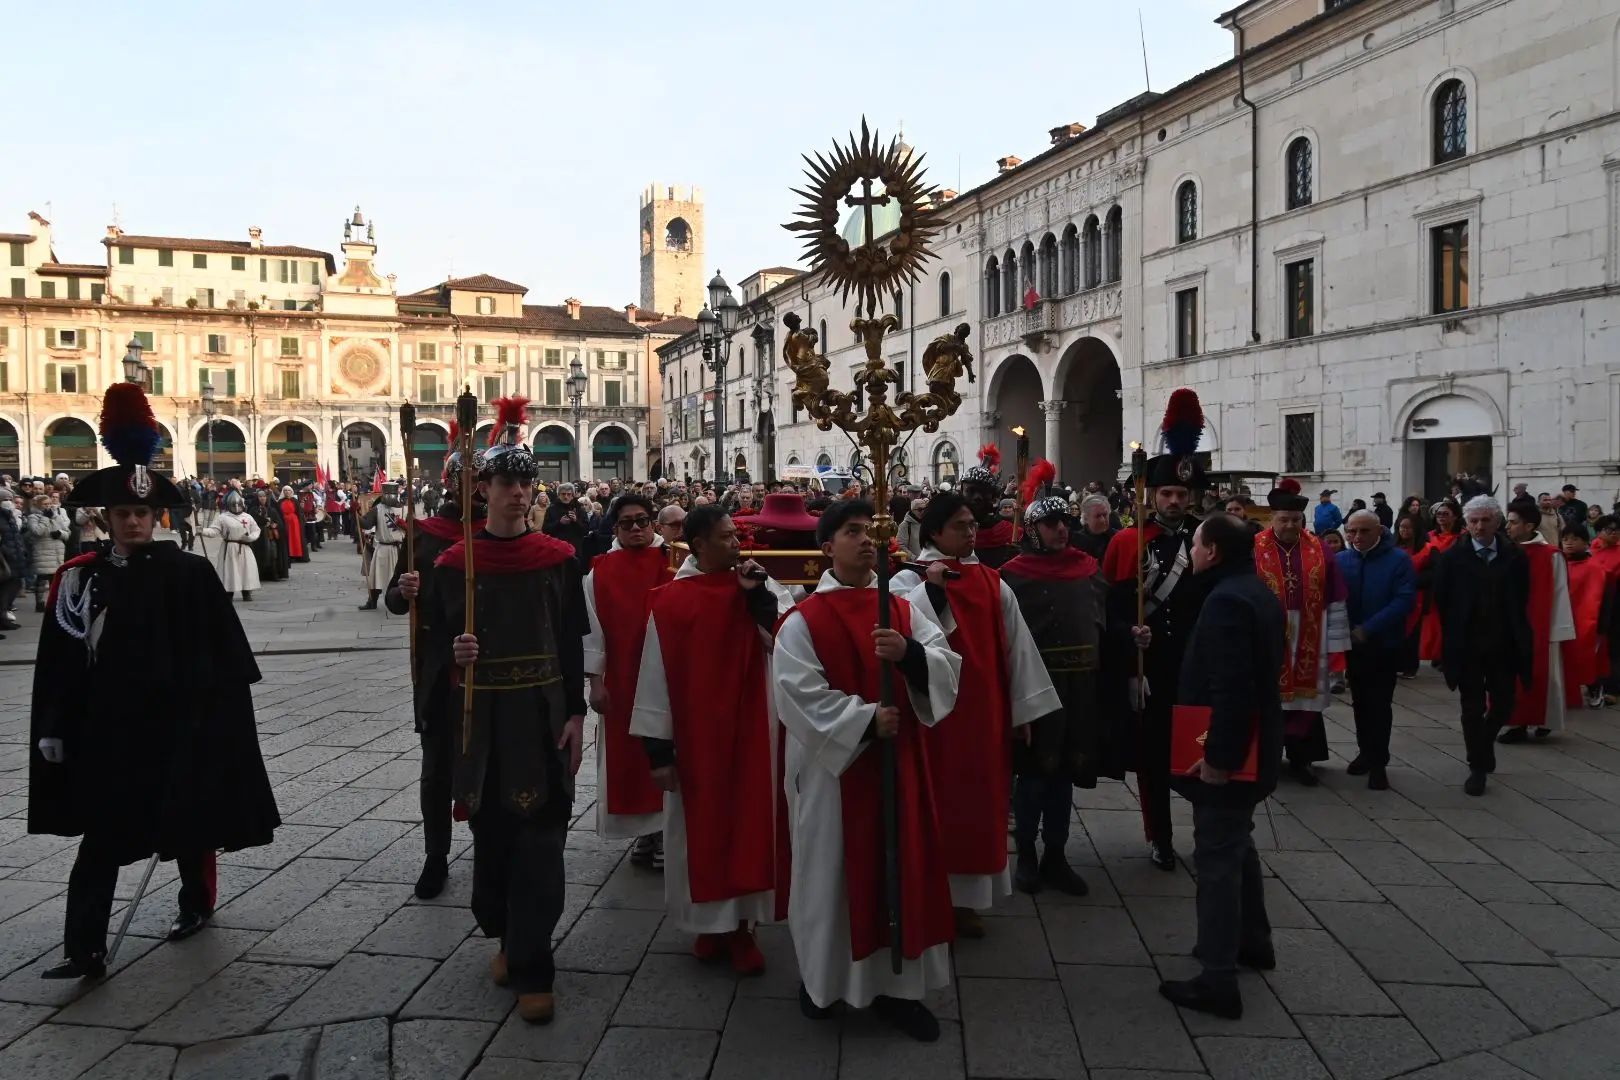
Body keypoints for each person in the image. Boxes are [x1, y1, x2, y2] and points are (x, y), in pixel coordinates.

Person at [29, 382, 280, 980]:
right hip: (108, 733)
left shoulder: (189, 574)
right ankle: (83, 947)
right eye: (124, 514)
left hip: (178, 725)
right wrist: (55, 730)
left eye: (143, 512)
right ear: (108, 518)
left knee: (190, 824)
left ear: (154, 515)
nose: (135, 521)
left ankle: (195, 903)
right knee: (100, 843)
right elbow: (61, 665)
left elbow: (227, 661)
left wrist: (212, 718)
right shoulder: (79, 579)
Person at [773, 499, 961, 1042]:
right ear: (827, 547)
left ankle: (900, 991)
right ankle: (823, 982)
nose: (864, 540)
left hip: (899, 766)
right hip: (835, 778)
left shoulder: (903, 609)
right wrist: (860, 721)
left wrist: (909, 656)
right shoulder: (802, 619)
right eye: (851, 532)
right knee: (831, 876)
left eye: (870, 531)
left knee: (902, 871)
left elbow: (946, 662)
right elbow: (795, 692)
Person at [424, 397, 587, 1024]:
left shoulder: (560, 559)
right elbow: (432, 642)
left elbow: (573, 639)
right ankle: (502, 931)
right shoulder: (453, 565)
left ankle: (533, 961)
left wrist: (575, 712)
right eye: (506, 482)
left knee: (542, 841)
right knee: (491, 840)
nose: (517, 492)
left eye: (526, 482)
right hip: (481, 720)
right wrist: (453, 653)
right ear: (483, 489)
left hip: (541, 713)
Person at [629, 504, 793, 973]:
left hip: (753, 731)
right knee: (701, 830)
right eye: (724, 538)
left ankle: (744, 928)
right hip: (696, 737)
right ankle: (709, 927)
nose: (735, 544)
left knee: (750, 826)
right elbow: (654, 676)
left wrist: (756, 596)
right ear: (698, 545)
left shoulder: (756, 583)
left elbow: (785, 639)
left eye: (734, 535)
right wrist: (658, 751)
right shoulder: (672, 600)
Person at [891, 490, 1060, 934]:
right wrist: (934, 592)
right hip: (932, 714)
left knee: (977, 806)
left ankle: (963, 903)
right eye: (960, 526)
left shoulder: (992, 581)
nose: (971, 533)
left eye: (972, 525)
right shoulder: (905, 580)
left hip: (982, 711)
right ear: (934, 532)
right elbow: (903, 630)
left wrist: (1022, 711)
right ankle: (927, 895)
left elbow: (1017, 648)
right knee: (935, 804)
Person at [1157, 513, 1284, 1021]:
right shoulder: (1254, 589)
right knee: (1238, 843)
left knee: (1216, 859)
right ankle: (1253, 942)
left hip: (1231, 751)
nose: (1192, 552)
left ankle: (1217, 978)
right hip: (1255, 747)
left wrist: (1219, 759)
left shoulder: (1227, 600)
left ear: (1211, 552)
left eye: (1196, 544)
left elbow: (1233, 688)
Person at [1102, 388, 1208, 870]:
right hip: (1149, 666)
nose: (1173, 501)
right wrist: (1129, 638)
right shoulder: (1128, 541)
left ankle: (1208, 828)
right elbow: (1112, 607)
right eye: (1166, 493)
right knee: (1150, 759)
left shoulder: (1208, 540)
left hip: (1192, 663)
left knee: (1201, 750)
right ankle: (1159, 835)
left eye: (1181, 494)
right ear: (1150, 495)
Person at [387, 420, 485, 900]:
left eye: (480, 483)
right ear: (450, 483)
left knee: (493, 763)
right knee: (436, 768)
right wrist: (402, 591)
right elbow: (394, 600)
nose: (474, 490)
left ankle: (491, 849)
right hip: (437, 666)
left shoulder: (502, 533)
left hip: (487, 665)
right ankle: (435, 856)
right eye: (466, 482)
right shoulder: (425, 534)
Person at [1000, 491, 1112, 895]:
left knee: (1066, 772)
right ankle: (1027, 852)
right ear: (1033, 530)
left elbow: (1105, 620)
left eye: (1066, 521)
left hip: (1081, 688)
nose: (1062, 529)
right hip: (1037, 686)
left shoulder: (1089, 569)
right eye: (1051, 523)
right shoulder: (1012, 575)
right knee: (1033, 775)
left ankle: (1057, 854)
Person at [583, 493, 674, 870]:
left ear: (653, 522)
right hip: (623, 677)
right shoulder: (599, 571)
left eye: (642, 521)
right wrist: (596, 682)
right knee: (631, 757)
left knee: (670, 753)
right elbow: (591, 631)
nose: (636, 528)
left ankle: (668, 831)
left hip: (671, 676)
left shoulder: (675, 561)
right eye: (626, 523)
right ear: (615, 527)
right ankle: (645, 832)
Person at [1250, 480, 1349, 786]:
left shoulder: (1319, 549)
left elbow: (1335, 596)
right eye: (1284, 519)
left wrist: (1336, 645)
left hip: (1310, 636)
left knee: (1304, 704)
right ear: (1272, 519)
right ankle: (1264, 760)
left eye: (1295, 520)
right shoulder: (1254, 547)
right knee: (1267, 701)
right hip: (1266, 636)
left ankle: (1301, 758)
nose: (1290, 525)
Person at [1433, 496, 1534, 795]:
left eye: (1485, 520)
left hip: (1504, 642)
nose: (1479, 526)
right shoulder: (1453, 556)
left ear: (1497, 522)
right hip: (1468, 644)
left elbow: (1521, 597)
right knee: (1472, 707)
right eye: (1474, 521)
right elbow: (1442, 598)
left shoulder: (1514, 555)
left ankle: (1484, 741)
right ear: (1466, 523)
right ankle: (1477, 765)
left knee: (1504, 703)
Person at [1338, 511, 1416, 789]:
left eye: (1364, 531)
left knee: (1380, 704)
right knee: (1359, 702)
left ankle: (1379, 761)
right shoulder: (1342, 560)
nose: (1357, 537)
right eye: (1351, 531)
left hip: (1384, 644)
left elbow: (1403, 601)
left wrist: (1368, 628)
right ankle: (1365, 752)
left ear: (1379, 532)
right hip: (1352, 645)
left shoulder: (1398, 560)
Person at [1497, 499, 1575, 743]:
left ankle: (1545, 720)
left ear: (1529, 525)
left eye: (1513, 522)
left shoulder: (1550, 555)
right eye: (1507, 522)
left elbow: (1561, 592)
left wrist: (1558, 630)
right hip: (1509, 625)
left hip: (1542, 625)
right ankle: (1516, 723)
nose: (1507, 527)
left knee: (1545, 676)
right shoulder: (1503, 550)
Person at [1558, 527, 1612, 711]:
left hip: (1587, 621)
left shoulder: (1595, 568)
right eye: (1565, 538)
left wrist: (1602, 626)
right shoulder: (1558, 564)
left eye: (1574, 538)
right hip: (1562, 618)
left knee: (1587, 659)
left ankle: (1595, 690)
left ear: (1585, 542)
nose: (1569, 542)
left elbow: (1604, 599)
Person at [958, 445, 1020, 568]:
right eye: (971, 491)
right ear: (961, 493)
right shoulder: (949, 532)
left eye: (983, 491)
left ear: (993, 497)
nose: (977, 497)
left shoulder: (1011, 533)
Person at [200, 491, 262, 601]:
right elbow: (214, 531)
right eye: (234, 505)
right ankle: (229, 593)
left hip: (244, 547)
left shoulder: (247, 517)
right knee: (230, 570)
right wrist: (202, 530)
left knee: (245, 570)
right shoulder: (223, 517)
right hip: (229, 548)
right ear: (229, 505)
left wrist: (250, 538)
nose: (237, 507)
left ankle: (246, 592)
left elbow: (256, 530)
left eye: (238, 505)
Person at [357, 484, 405, 610]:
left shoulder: (404, 509)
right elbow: (366, 525)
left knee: (400, 578)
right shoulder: (377, 509)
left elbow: (413, 527)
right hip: (383, 548)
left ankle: (400, 603)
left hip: (399, 548)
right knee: (375, 576)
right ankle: (372, 602)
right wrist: (356, 514)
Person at [1071, 493, 1118, 560]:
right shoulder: (1076, 541)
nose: (1102, 520)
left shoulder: (1117, 538)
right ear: (1086, 518)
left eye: (1105, 515)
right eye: (1098, 516)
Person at [279, 486, 307, 563]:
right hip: (284, 521)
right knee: (287, 538)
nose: (287, 492)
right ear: (283, 492)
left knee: (295, 538)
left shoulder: (295, 501)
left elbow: (300, 512)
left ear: (291, 492)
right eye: (285, 490)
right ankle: (288, 555)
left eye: (288, 490)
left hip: (294, 522)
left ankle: (296, 555)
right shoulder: (280, 501)